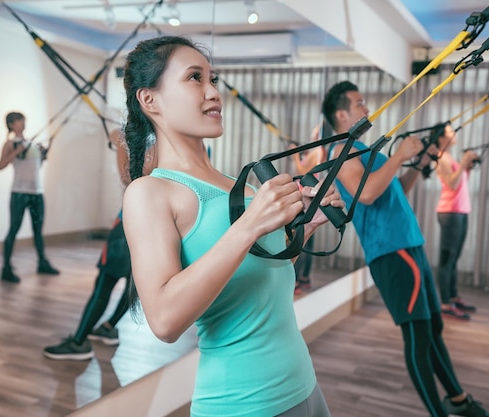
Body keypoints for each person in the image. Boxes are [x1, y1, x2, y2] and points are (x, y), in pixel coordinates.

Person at [121, 35, 343, 417]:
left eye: (213, 79)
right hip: (243, 404)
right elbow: (164, 321)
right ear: (150, 100)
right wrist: (247, 227)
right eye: (194, 78)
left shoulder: (237, 184)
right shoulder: (150, 193)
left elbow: (261, 274)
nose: (213, 92)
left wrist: (306, 227)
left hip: (304, 385)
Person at [322, 81, 489, 417]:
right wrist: (399, 155)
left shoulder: (363, 148)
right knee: (417, 335)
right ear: (341, 114)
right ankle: (439, 412)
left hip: (407, 245)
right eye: (359, 103)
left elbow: (394, 189)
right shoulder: (342, 153)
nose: (366, 108)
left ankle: (459, 401)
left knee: (433, 327)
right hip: (391, 251)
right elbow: (369, 193)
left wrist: (415, 165)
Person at [43, 128, 157, 360]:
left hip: (133, 225)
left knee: (105, 283)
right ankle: (108, 327)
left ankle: (78, 343)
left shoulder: (161, 143)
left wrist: (119, 145)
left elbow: (131, 178)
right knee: (131, 284)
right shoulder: (182, 144)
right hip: (150, 227)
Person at [0, 111, 59, 283]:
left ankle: (42, 263)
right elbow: (1, 165)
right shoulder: (10, 144)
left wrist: (43, 154)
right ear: (11, 124)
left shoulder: (31, 144)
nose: (23, 123)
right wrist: (16, 151)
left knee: (38, 231)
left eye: (23, 120)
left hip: (37, 193)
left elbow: (35, 167)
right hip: (19, 193)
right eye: (19, 121)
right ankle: (6, 268)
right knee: (14, 229)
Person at [434, 122, 480, 320]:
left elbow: (460, 181)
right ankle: (445, 304)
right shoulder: (440, 157)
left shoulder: (449, 156)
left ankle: (452, 297)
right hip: (450, 212)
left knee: (454, 258)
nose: (454, 134)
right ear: (441, 138)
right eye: (450, 132)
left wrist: (466, 166)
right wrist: (463, 163)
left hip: (461, 211)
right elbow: (452, 184)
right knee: (447, 260)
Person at [289, 124, 326, 296]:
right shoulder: (317, 151)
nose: (313, 130)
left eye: (317, 129)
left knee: (300, 239)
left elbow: (302, 172)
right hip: (310, 198)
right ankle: (304, 279)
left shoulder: (318, 151)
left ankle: (296, 281)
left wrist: (295, 155)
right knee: (307, 239)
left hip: (306, 199)